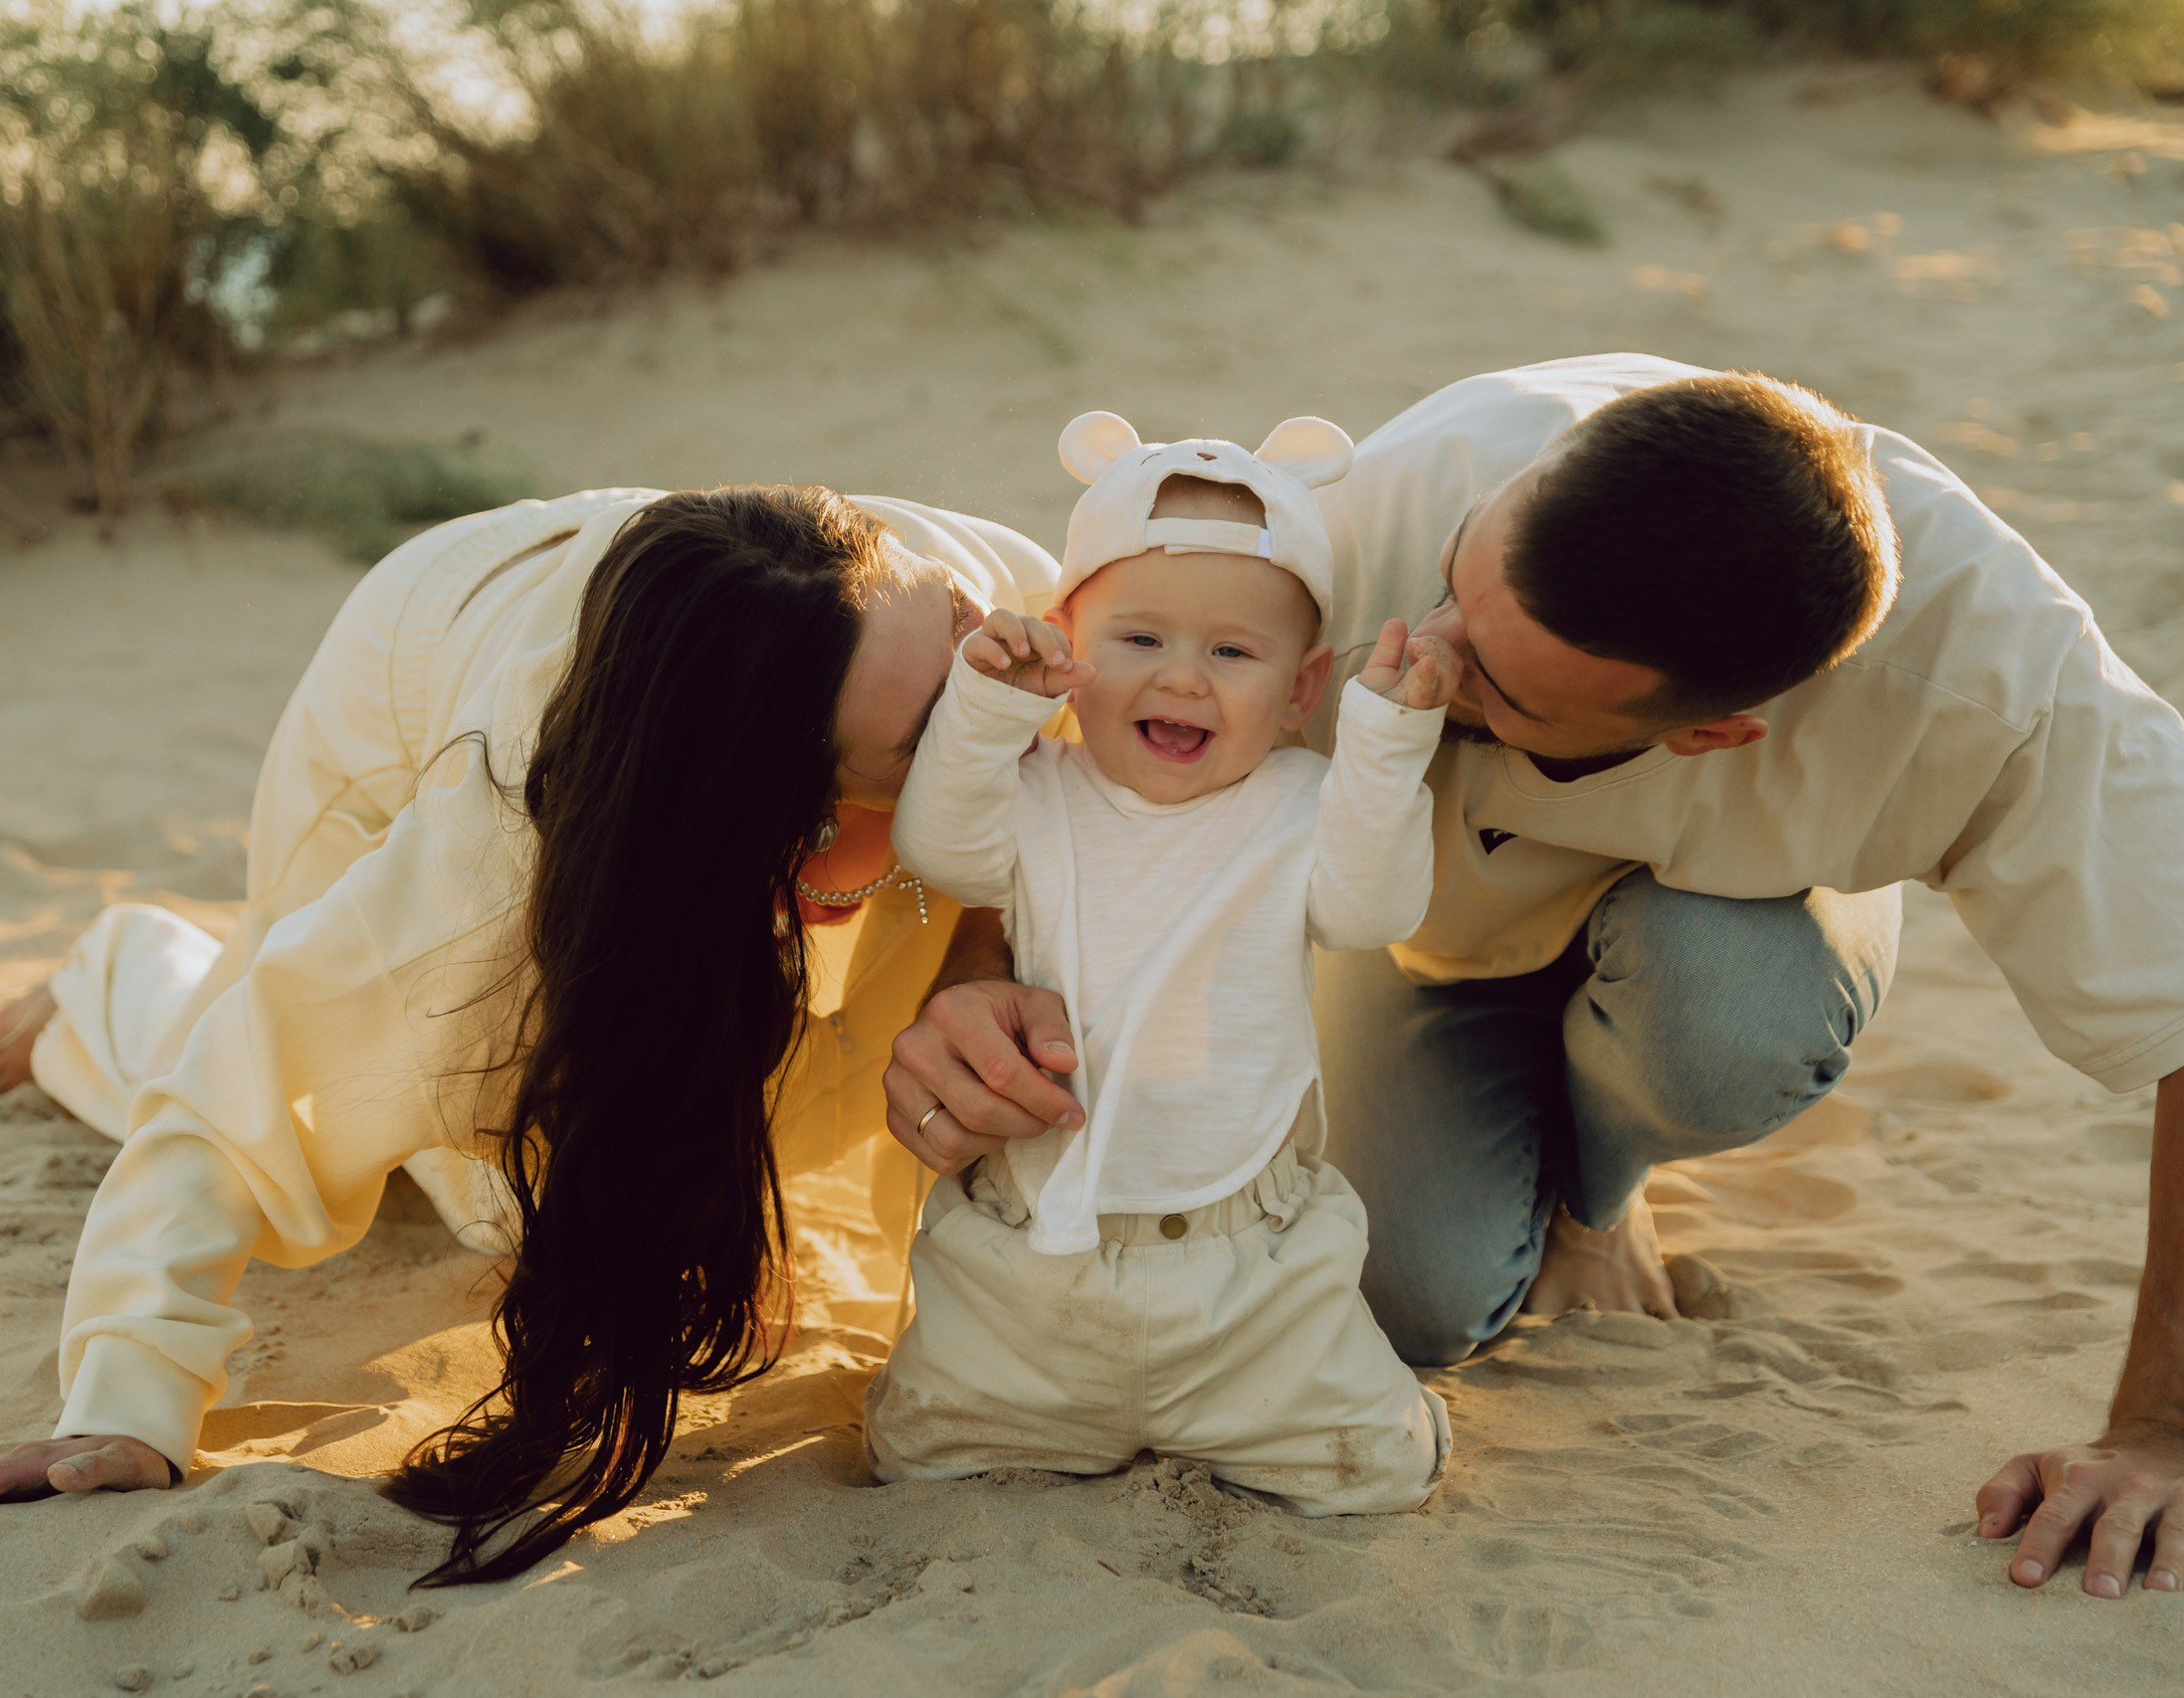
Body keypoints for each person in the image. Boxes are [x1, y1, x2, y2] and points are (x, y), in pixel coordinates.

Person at [883, 354, 2184, 1600]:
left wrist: (2163, 1424)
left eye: (1490, 678)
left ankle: (1603, 1191)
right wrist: (987, 966)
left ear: (1709, 733)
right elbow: (1076, 751)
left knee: (1727, 1011)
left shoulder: (2003, 692)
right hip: (1432, 934)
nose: (1434, 645)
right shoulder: (1382, 514)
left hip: (1727, 933)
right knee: (1413, 1301)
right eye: (1453, 584)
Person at [0, 482, 1072, 1585]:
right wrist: (122, 1408)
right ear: (783, 809)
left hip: (700, 605)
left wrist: (975, 956)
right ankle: (119, 982)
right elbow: (242, 1097)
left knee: (847, 1043)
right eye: (926, 738)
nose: (990, 692)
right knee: (477, 1147)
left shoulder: (986, 611)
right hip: (411, 672)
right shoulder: (488, 865)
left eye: (962, 623)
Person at [864, 413, 1455, 1510]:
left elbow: (1374, 907)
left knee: (1371, 1468)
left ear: (1299, 688)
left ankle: (1324, 1424)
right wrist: (992, 704)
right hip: (1023, 1253)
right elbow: (935, 845)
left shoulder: (1297, 806)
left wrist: (1384, 743)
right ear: (1066, 642)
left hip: (1251, 1267)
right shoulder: (1034, 790)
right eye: (1137, 641)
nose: (1182, 678)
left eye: (1231, 653)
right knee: (925, 1448)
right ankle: (1011, 1414)